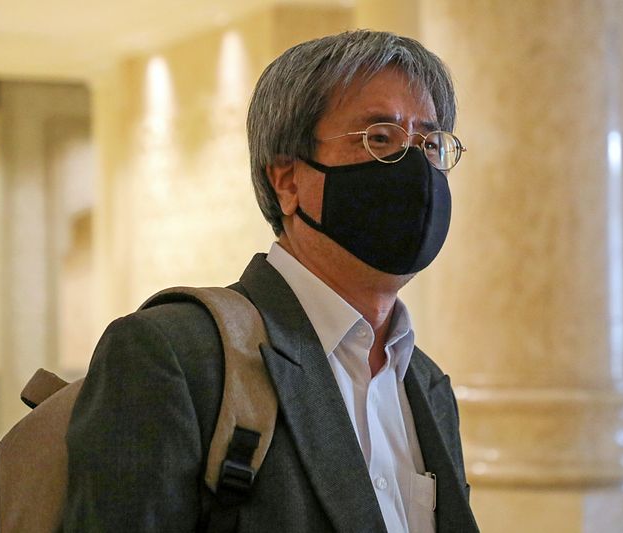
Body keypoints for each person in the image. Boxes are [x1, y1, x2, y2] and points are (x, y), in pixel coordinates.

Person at [63, 30, 479, 533]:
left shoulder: (429, 386)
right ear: (287, 180)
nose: (414, 169)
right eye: (380, 138)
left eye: (430, 143)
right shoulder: (174, 358)